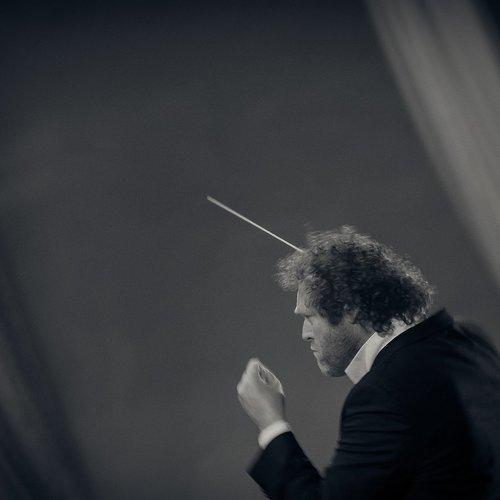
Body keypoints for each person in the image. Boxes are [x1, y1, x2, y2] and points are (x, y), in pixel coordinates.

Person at [237, 226, 500, 499]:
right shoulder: (467, 338)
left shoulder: (383, 394)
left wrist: (271, 422)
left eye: (309, 317)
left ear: (350, 309)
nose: (305, 334)